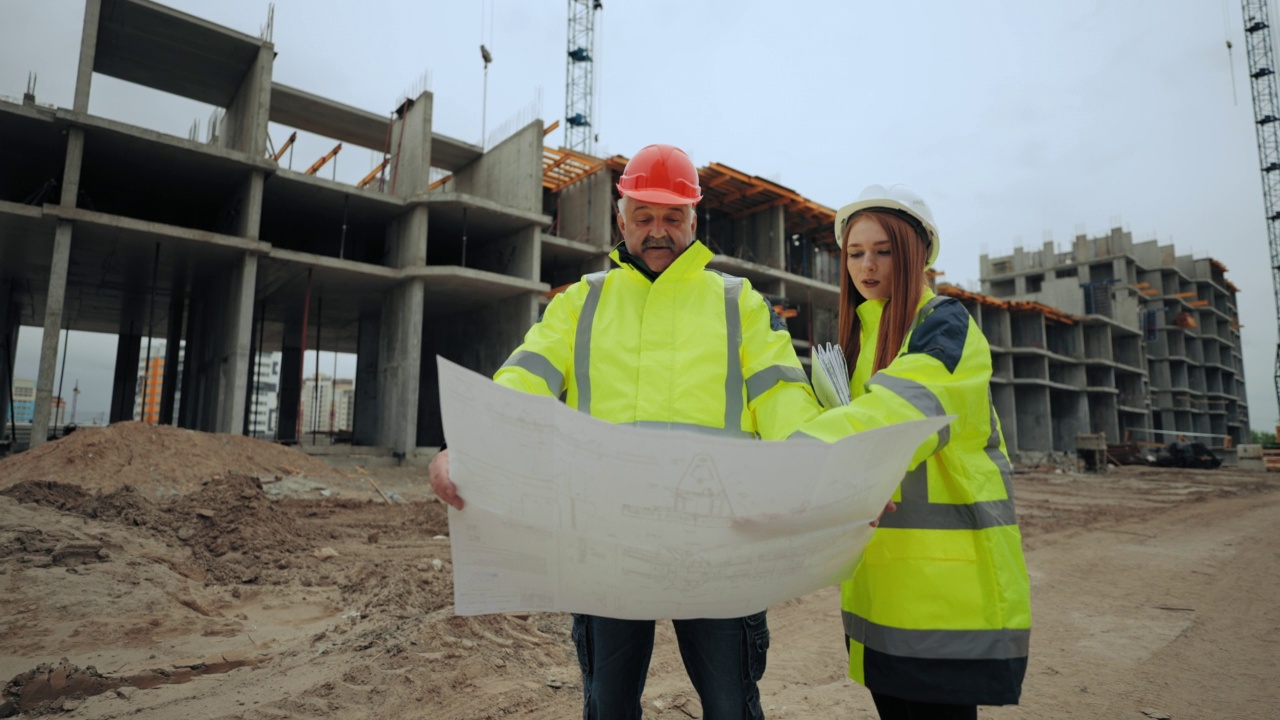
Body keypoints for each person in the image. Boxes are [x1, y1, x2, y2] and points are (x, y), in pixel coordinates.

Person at [429, 143, 822, 720]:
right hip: (608, 545)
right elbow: (524, 378)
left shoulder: (739, 303)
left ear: (694, 218)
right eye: (644, 217)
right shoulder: (581, 303)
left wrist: (825, 469)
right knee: (608, 706)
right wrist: (470, 446)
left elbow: (783, 395)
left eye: (672, 217)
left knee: (731, 707)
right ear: (621, 219)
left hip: (716, 544)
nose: (657, 231)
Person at [795, 184, 1031, 719]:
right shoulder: (859, 340)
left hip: (945, 590)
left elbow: (900, 417)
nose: (867, 266)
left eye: (883, 251)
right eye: (855, 253)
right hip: (882, 587)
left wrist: (798, 455)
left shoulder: (943, 326)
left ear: (918, 255)